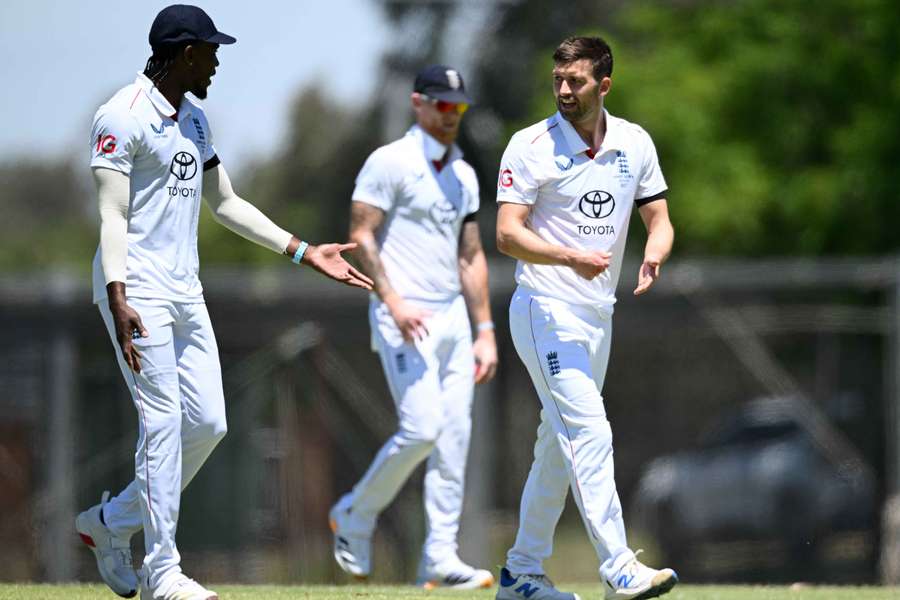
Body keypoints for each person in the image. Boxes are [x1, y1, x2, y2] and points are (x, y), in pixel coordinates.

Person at [74, 6, 373, 600]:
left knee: (208, 422)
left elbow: (226, 202)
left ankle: (110, 525)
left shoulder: (196, 120)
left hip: (187, 292)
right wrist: (118, 296)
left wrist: (303, 250)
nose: (215, 62)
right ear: (185, 54)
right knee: (161, 424)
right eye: (210, 52)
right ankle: (164, 573)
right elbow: (111, 213)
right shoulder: (122, 116)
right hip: (136, 292)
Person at [493, 36, 677, 600]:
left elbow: (660, 217)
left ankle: (521, 574)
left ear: (604, 83)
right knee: (589, 431)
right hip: (544, 310)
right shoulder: (529, 146)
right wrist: (569, 256)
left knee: (559, 442)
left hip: (600, 316)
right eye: (558, 81)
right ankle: (618, 566)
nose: (565, 90)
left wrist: (655, 250)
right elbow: (506, 234)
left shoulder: (634, 142)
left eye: (576, 81)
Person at [328, 65, 498, 590]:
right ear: (418, 103)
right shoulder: (390, 162)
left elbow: (470, 257)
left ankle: (440, 558)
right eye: (442, 106)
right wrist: (394, 301)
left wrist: (485, 328)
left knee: (454, 438)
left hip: (451, 318)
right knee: (422, 428)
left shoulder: (463, 173)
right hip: (403, 314)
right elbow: (361, 234)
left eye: (458, 108)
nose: (451, 116)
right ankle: (355, 512)